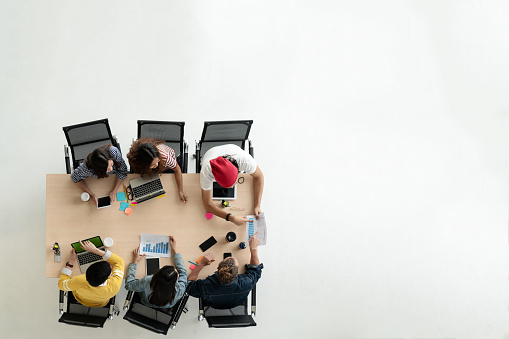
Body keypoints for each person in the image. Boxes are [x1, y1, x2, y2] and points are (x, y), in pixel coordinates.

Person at [187, 233, 263, 309]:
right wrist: (253, 249)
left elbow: (188, 286)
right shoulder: (246, 283)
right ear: (236, 274)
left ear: (217, 268)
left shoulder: (206, 287)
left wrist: (201, 264)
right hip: (231, 303)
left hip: (214, 303)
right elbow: (256, 270)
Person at [200, 144, 264, 226]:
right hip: (210, 152)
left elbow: (259, 176)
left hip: (233, 148)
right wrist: (231, 217)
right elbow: (208, 204)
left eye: (234, 182)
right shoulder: (206, 172)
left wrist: (257, 205)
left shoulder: (245, 161)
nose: (233, 187)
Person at [124, 236, 187, 308]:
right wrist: (174, 250)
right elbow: (183, 272)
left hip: (147, 302)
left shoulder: (147, 281)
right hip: (167, 305)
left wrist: (134, 262)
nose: (177, 272)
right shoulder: (179, 289)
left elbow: (128, 285)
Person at [58, 240, 124, 308]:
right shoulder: (114, 286)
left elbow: (61, 285)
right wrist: (96, 250)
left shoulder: (80, 280)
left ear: (86, 272)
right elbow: (119, 262)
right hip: (101, 303)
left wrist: (70, 262)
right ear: (108, 277)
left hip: (81, 299)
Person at [127, 138, 188, 203]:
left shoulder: (165, 158)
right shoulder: (136, 160)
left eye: (158, 161)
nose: (156, 165)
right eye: (153, 164)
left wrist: (180, 190)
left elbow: (177, 169)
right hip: (148, 170)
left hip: (166, 168)